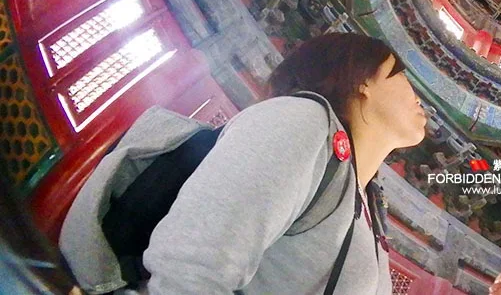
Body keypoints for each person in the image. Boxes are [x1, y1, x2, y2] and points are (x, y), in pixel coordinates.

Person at [142, 33, 427, 294]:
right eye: (402, 75)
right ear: (363, 81)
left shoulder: (370, 204)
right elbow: (191, 268)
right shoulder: (304, 120)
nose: (419, 98)